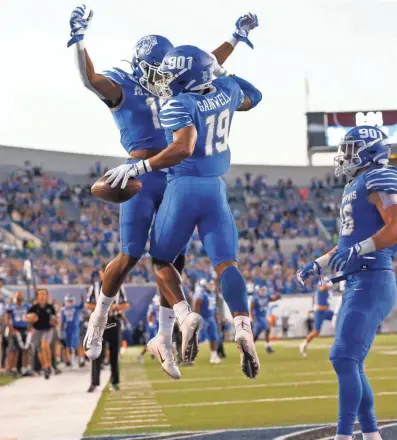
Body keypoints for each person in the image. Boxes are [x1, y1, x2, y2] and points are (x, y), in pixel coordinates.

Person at [67, 4, 259, 380]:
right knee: (129, 255)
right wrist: (78, 40)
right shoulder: (124, 84)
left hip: (174, 174)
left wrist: (235, 39)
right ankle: (99, 316)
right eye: (158, 68)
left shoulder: (178, 84)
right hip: (140, 175)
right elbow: (91, 79)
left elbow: (205, 63)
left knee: (172, 261)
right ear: (142, 66)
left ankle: (166, 337)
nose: (164, 74)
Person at [106, 46, 262, 378]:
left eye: (172, 75)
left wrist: (141, 168)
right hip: (216, 188)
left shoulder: (179, 103)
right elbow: (255, 95)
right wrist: (221, 72)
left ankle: (183, 314)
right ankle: (243, 325)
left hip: (183, 186)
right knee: (226, 264)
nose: (165, 81)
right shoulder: (226, 91)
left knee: (161, 260)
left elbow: (183, 147)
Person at [297, 126, 397, 440]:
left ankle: (344, 435)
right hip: (357, 280)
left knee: (343, 357)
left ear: (369, 151)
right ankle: (370, 435)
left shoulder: (380, 176)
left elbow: (395, 227)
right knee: (351, 361)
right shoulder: (355, 184)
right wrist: (319, 263)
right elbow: (347, 243)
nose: (345, 156)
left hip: (373, 279)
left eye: (352, 149)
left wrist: (360, 249)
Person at [86, 267, 129, 392]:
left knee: (114, 354)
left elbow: (125, 304)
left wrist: (115, 307)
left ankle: (115, 382)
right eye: (104, 272)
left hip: (113, 321)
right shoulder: (94, 287)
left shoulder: (118, 286)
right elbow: (87, 304)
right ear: (100, 274)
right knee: (96, 354)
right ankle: (94, 383)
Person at [299, 277, 334, 357]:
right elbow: (323, 288)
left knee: (338, 318)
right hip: (319, 312)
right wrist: (331, 282)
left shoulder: (325, 290)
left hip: (326, 311)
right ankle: (303, 344)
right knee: (316, 332)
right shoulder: (321, 289)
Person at [27, 289, 57, 380]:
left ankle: (48, 364)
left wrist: (54, 321)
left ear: (46, 296)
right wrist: (31, 320)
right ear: (37, 296)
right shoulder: (34, 308)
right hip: (37, 330)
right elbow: (28, 319)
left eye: (44, 294)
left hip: (48, 329)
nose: (42, 296)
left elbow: (54, 319)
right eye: (40, 294)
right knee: (39, 349)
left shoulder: (50, 307)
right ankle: (45, 367)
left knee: (45, 346)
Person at [193, 280, 221, 364]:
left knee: (214, 338)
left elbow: (214, 308)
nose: (212, 286)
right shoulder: (202, 294)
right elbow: (196, 306)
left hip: (211, 318)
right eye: (210, 284)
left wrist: (216, 317)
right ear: (205, 285)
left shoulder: (212, 294)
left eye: (212, 284)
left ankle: (214, 356)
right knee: (199, 339)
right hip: (203, 318)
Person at [5, 291, 32, 376]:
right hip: (15, 329)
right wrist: (12, 329)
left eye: (20, 296)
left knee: (26, 349)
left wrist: (30, 327)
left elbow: (32, 316)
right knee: (14, 349)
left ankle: (26, 368)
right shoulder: (11, 306)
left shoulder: (27, 306)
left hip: (24, 329)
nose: (19, 298)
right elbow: (7, 319)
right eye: (17, 297)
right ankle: (13, 369)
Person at [250, 286, 279, 354]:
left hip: (263, 317)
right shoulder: (255, 298)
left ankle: (265, 347)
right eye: (262, 290)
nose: (263, 291)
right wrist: (253, 318)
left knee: (257, 334)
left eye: (264, 290)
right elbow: (251, 309)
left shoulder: (266, 297)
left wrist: (277, 297)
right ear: (258, 290)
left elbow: (273, 299)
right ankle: (267, 347)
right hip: (258, 317)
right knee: (266, 330)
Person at [60, 295, 84, 367]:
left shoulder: (75, 307)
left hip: (75, 327)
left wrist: (82, 300)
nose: (70, 302)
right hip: (67, 328)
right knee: (68, 345)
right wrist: (61, 329)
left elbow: (81, 306)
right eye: (69, 301)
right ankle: (70, 360)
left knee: (76, 344)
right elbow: (62, 320)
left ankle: (77, 360)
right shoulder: (63, 309)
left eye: (71, 301)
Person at [137, 293, 160, 363]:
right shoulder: (153, 306)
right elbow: (149, 317)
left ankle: (152, 354)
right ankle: (141, 355)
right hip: (153, 327)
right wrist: (152, 325)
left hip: (156, 325)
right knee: (151, 343)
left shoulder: (156, 306)